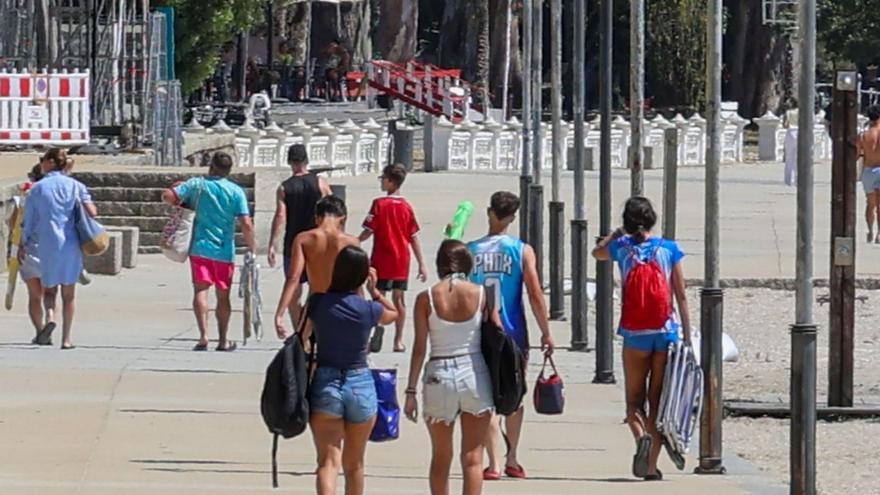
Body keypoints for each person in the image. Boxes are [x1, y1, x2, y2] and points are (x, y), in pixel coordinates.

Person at [592, 196, 691, 481]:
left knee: (634, 401)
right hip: (665, 331)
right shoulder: (670, 249)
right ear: (652, 219)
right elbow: (681, 295)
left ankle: (640, 440)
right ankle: (650, 467)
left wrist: (617, 232)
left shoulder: (621, 248)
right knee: (657, 400)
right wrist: (685, 334)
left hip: (635, 334)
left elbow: (596, 253)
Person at [467, 191, 555, 480]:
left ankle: (492, 462)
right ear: (513, 218)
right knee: (514, 395)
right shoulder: (521, 250)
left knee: (487, 396)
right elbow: (534, 292)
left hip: (480, 332)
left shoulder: (470, 250)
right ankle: (512, 456)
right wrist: (546, 331)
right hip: (514, 332)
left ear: (489, 212)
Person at [305, 246, 397, 495]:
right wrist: (374, 291)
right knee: (354, 463)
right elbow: (394, 314)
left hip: (326, 381)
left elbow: (303, 338)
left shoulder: (318, 303)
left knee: (327, 462)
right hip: (360, 382)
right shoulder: (368, 309)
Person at [404, 240, 494, 495]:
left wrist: (411, 390)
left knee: (441, 458)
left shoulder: (427, 298)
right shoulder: (481, 294)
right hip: (474, 371)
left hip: (439, 373)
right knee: (473, 458)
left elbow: (419, 348)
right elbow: (495, 331)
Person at [162, 152, 256, 352]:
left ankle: (203, 336)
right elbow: (246, 223)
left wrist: (178, 199)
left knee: (200, 290)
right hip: (224, 251)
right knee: (223, 296)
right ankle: (223, 340)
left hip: (200, 248)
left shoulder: (197, 184)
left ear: (211, 166)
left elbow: (168, 196)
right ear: (229, 170)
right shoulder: (236, 191)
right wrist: (252, 246)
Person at [21, 149, 97, 350]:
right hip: (71, 243)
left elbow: (28, 221)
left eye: (43, 160)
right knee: (69, 293)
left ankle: (51, 316)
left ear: (51, 162)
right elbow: (93, 212)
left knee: (50, 290)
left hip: (47, 243)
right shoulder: (76, 186)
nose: (41, 164)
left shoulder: (37, 189)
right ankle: (66, 339)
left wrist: (23, 243)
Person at [359, 164, 428, 353]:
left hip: (381, 258)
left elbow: (368, 230)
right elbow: (413, 237)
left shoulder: (379, 204)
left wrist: (354, 242)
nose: (381, 181)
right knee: (399, 300)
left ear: (390, 181)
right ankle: (398, 341)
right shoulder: (406, 207)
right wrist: (421, 264)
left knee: (377, 296)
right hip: (401, 260)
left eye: (383, 178)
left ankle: (373, 333)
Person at [274, 196, 359, 338]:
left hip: (316, 304)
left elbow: (293, 278)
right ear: (342, 219)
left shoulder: (303, 239)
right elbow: (357, 283)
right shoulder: (351, 242)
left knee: (306, 351)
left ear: (317, 218)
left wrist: (280, 313)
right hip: (342, 304)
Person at [267, 144, 332, 324]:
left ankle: (298, 332)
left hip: (293, 244)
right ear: (307, 160)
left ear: (289, 161)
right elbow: (334, 210)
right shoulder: (320, 183)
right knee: (316, 290)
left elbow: (280, 216)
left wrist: (272, 243)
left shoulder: (284, 188)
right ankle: (311, 329)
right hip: (317, 242)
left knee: (294, 291)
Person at [10, 164, 55, 344]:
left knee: (34, 295)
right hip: (51, 250)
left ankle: (39, 331)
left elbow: (12, 224)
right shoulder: (53, 199)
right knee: (50, 293)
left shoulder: (23, 199)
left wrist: (17, 246)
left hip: (27, 249)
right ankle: (51, 318)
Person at [858, 105, 880, 243]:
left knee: (870, 204)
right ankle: (879, 233)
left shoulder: (863, 135)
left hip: (868, 170)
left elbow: (857, 154)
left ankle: (870, 231)